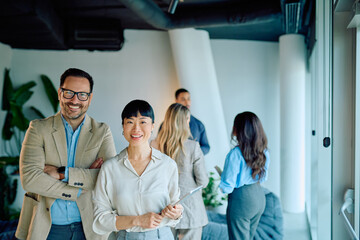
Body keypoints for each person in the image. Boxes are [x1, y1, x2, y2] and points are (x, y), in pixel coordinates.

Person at [15, 68, 117, 240]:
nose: (75, 100)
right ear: (59, 93)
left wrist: (63, 173)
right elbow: (30, 179)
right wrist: (78, 190)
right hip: (47, 227)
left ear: (90, 98)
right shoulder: (38, 129)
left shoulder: (102, 132)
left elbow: (110, 178)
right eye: (69, 93)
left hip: (89, 227)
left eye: (82, 95)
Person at [92, 99, 183, 240]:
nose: (136, 129)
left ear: (152, 126)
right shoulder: (110, 168)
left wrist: (176, 213)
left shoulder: (167, 165)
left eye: (143, 122)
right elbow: (100, 219)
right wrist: (138, 220)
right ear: (123, 126)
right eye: (130, 122)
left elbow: (175, 207)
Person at [151, 103, 209, 240]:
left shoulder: (153, 145)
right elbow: (203, 182)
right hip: (191, 210)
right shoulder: (193, 147)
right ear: (184, 122)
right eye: (188, 119)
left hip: (162, 208)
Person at [219, 112, 270, 240]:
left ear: (239, 130)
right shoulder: (264, 151)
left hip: (241, 201)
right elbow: (263, 177)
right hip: (259, 197)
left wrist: (223, 180)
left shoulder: (235, 154)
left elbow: (227, 187)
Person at [174, 88, 210, 155]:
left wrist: (194, 153)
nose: (187, 102)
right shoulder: (167, 125)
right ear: (176, 101)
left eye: (188, 99)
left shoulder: (199, 124)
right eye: (183, 99)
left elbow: (206, 147)